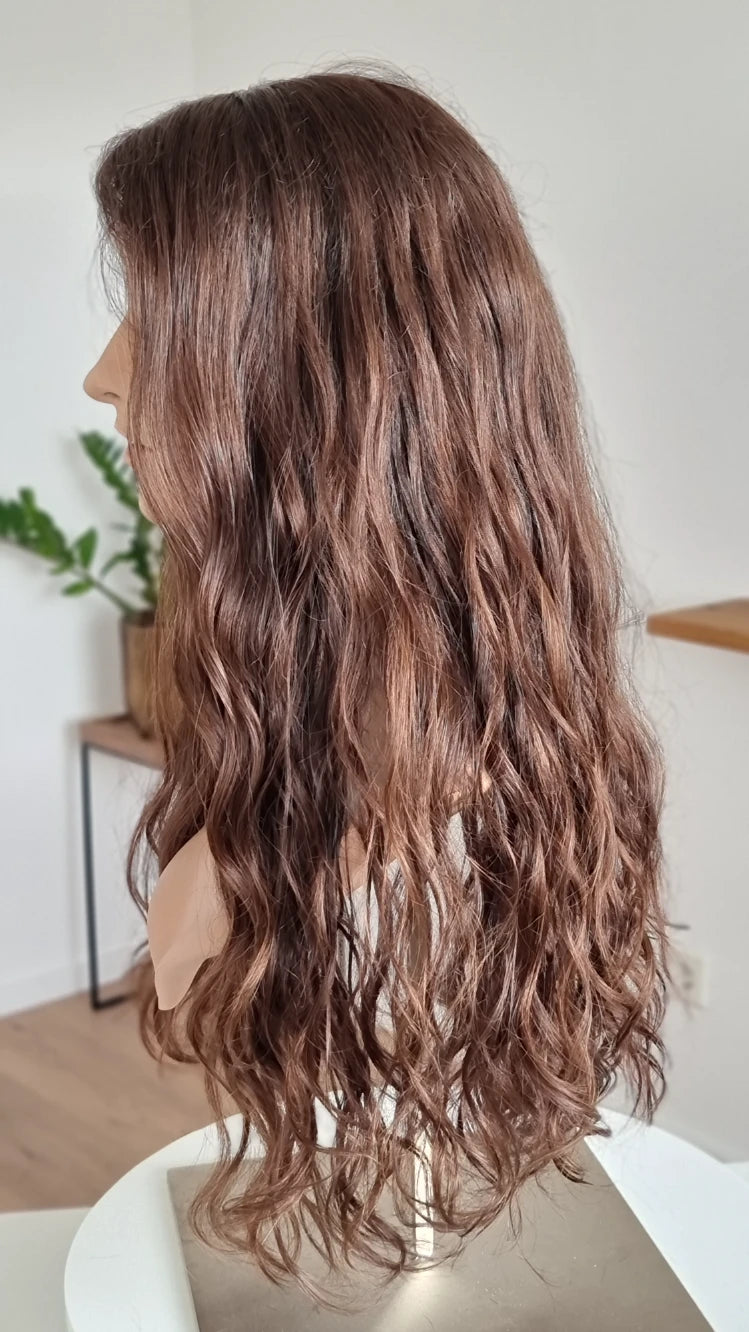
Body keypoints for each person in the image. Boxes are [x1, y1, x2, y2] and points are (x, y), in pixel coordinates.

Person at [83, 65, 669, 1299]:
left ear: (310, 377)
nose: (105, 376)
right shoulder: (341, 741)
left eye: (153, 317)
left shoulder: (402, 827)